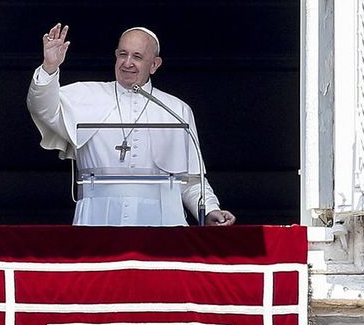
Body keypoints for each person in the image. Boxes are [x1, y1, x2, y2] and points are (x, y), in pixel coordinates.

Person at [27, 23, 236, 226]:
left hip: (162, 223)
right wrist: (50, 67)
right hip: (96, 219)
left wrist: (210, 209)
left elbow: (190, 180)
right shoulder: (85, 95)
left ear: (154, 64)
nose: (127, 63)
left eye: (137, 56)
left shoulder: (177, 110)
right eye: (122, 54)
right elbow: (42, 108)